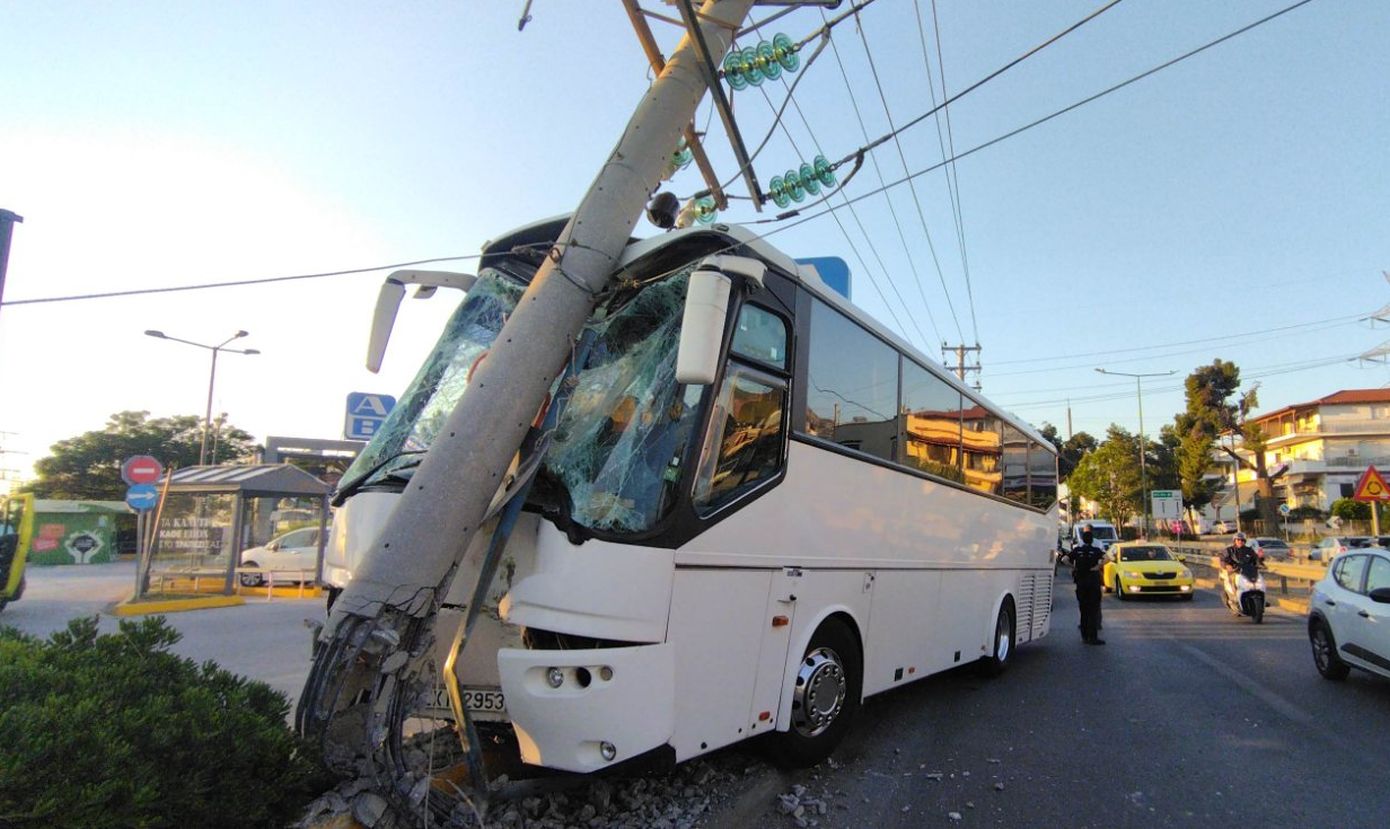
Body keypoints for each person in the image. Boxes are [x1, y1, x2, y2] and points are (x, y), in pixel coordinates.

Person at [1063, 523, 1107, 645]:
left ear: (1082, 539)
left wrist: (1074, 567)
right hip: (1093, 582)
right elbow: (1108, 558)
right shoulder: (1096, 550)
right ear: (1092, 539)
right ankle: (1093, 637)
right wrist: (1098, 567)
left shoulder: (1077, 550)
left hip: (1081, 582)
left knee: (1083, 609)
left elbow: (1064, 559)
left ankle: (1084, 635)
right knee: (1093, 610)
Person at [1220, 531, 1262, 600]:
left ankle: (1260, 598)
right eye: (1238, 540)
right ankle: (1235, 597)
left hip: (1247, 571)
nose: (1240, 541)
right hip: (1234, 571)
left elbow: (1255, 559)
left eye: (1242, 540)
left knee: (1258, 582)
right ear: (1235, 541)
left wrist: (1259, 563)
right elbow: (1223, 559)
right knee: (1233, 581)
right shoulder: (1229, 550)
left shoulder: (1249, 550)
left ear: (1245, 541)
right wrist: (1227, 565)